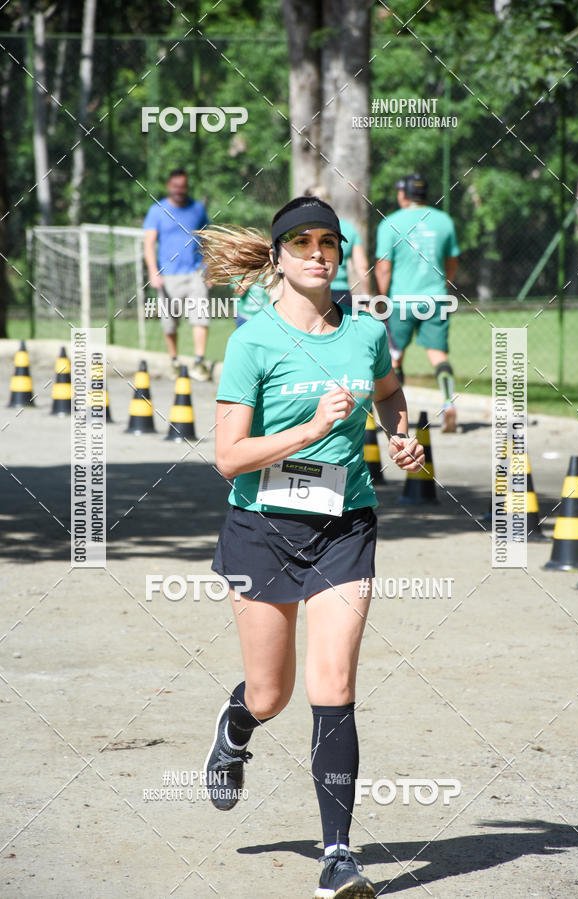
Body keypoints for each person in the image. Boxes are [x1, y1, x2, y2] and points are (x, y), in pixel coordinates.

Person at [200, 197, 425, 898]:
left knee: (334, 687)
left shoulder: (364, 333)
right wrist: (308, 430)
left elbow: (389, 392)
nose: (317, 252)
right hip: (261, 527)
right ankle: (237, 726)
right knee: (272, 692)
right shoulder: (252, 343)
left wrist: (400, 436)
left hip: (344, 524)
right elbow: (229, 458)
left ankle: (337, 857)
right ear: (278, 256)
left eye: (329, 240)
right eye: (301, 241)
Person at [375, 173, 460, 433]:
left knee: (394, 358)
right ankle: (448, 403)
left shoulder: (390, 223)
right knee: (438, 354)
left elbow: (383, 268)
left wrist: (382, 297)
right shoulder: (444, 221)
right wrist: (443, 286)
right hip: (436, 299)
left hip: (401, 302)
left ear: (403, 194)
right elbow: (452, 262)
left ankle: (397, 416)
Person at [143, 169, 212, 380]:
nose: (179, 190)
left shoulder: (197, 209)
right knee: (169, 322)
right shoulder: (157, 211)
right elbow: (148, 244)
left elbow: (207, 239)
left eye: (182, 186)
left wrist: (209, 269)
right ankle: (174, 361)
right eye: (175, 186)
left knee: (201, 317)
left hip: (195, 273)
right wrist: (153, 271)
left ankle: (199, 362)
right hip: (168, 276)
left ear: (187, 187)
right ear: (168, 186)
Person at [304, 185, 370, 306]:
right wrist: (366, 297)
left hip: (309, 291)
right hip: (341, 294)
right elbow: (362, 267)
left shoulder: (300, 229)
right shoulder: (347, 228)